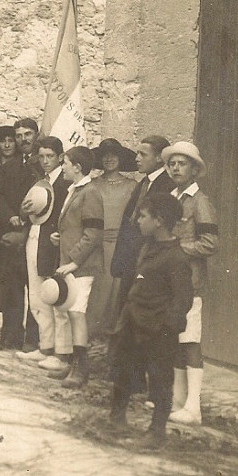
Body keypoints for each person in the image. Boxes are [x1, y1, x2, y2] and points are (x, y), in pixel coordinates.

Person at [107, 192, 193, 450]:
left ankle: (157, 431)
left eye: (143, 216)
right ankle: (117, 417)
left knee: (159, 379)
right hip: (134, 321)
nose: (138, 221)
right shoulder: (146, 247)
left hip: (157, 330)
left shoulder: (177, 258)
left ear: (159, 221)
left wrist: (167, 327)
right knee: (124, 369)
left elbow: (182, 299)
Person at [163, 141, 219, 426]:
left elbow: (210, 243)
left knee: (190, 341)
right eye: (172, 163)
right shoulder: (173, 197)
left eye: (181, 163)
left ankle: (194, 407)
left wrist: (181, 248)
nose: (175, 167)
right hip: (172, 281)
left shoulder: (200, 202)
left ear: (194, 170)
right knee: (176, 339)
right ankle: (177, 401)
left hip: (191, 282)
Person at [48, 145, 104, 388]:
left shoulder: (90, 192)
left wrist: (73, 262)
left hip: (82, 266)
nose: (63, 167)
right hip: (71, 263)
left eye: (66, 163)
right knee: (71, 312)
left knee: (77, 314)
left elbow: (93, 233)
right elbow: (76, 227)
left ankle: (81, 370)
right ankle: (72, 364)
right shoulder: (75, 190)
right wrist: (60, 238)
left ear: (78, 167)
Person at [17, 137, 72, 370]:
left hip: (52, 242)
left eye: (50, 156)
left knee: (53, 294)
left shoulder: (66, 182)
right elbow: (29, 210)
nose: (46, 161)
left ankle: (60, 353)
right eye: (42, 156)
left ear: (60, 157)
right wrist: (22, 211)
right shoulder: (41, 181)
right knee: (37, 296)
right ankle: (45, 346)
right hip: (34, 237)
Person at [0, 126, 37, 349]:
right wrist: (11, 216)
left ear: (36, 136)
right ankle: (11, 334)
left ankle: (33, 341)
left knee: (35, 287)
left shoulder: (43, 163)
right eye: (19, 136)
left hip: (36, 231)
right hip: (12, 230)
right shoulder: (11, 165)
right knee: (12, 285)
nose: (23, 139)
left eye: (28, 135)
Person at [111, 135, 175, 308]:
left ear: (159, 158)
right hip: (131, 260)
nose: (136, 159)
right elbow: (128, 222)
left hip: (147, 261)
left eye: (143, 154)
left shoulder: (167, 186)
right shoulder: (143, 184)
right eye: (137, 154)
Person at [88, 138, 139, 340]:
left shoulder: (132, 186)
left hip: (120, 246)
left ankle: (111, 339)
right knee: (95, 292)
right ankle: (89, 340)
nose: (109, 159)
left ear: (121, 158)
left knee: (116, 291)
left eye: (114, 155)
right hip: (96, 245)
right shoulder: (93, 185)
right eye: (105, 155)